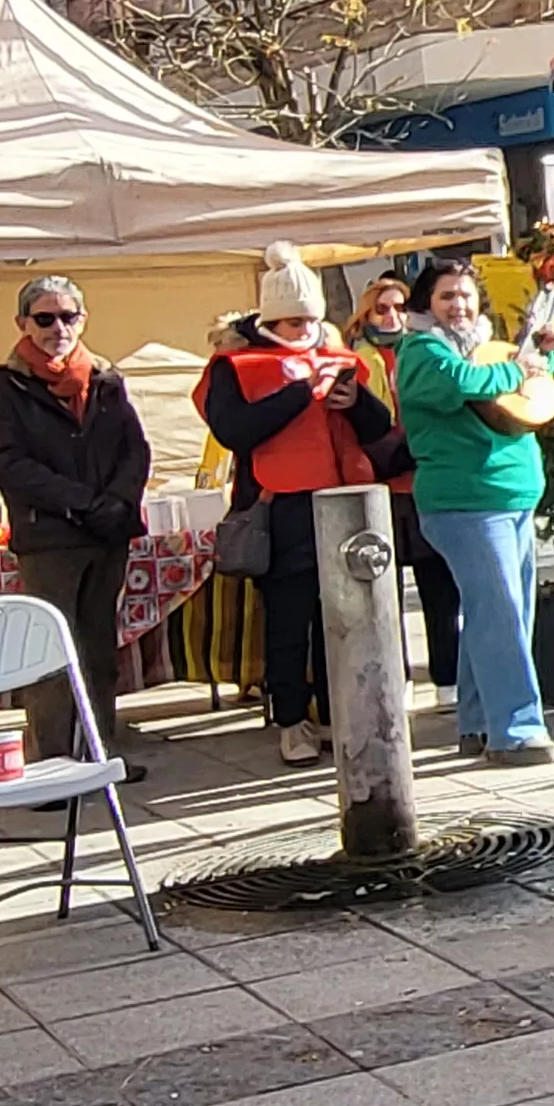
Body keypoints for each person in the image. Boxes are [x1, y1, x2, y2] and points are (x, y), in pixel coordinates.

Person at [202, 246, 400, 767]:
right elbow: (233, 431)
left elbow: (379, 432)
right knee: (289, 620)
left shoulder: (339, 357)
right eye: (292, 322)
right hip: (281, 506)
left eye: (312, 321)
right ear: (270, 320)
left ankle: (338, 713)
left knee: (344, 615)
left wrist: (354, 403)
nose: (304, 331)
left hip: (343, 503)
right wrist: (298, 395)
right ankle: (291, 719)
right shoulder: (234, 365)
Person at [0, 275, 152, 781]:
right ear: (23, 324)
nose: (58, 328)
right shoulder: (2, 386)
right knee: (52, 651)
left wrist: (117, 501)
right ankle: (52, 763)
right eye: (45, 318)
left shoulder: (105, 379)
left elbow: (134, 449)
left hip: (106, 533)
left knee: (99, 650)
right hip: (50, 537)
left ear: (83, 319)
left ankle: (100, 754)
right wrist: (81, 503)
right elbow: (8, 463)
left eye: (67, 316)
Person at [393, 260, 554, 761]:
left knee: (502, 614)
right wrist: (519, 367)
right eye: (446, 296)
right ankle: (518, 730)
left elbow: (520, 395)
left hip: (512, 494)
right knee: (500, 613)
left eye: (465, 295)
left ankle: (479, 723)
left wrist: (535, 358)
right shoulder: (421, 350)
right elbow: (462, 382)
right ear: (425, 304)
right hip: (464, 501)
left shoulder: (492, 346)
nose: (459, 305)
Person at [346, 274, 465, 702]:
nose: (392, 315)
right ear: (365, 314)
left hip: (422, 482)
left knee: (439, 588)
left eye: (399, 307)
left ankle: (447, 678)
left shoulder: (431, 348)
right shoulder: (359, 360)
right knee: (385, 594)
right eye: (382, 308)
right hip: (381, 487)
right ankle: (398, 682)